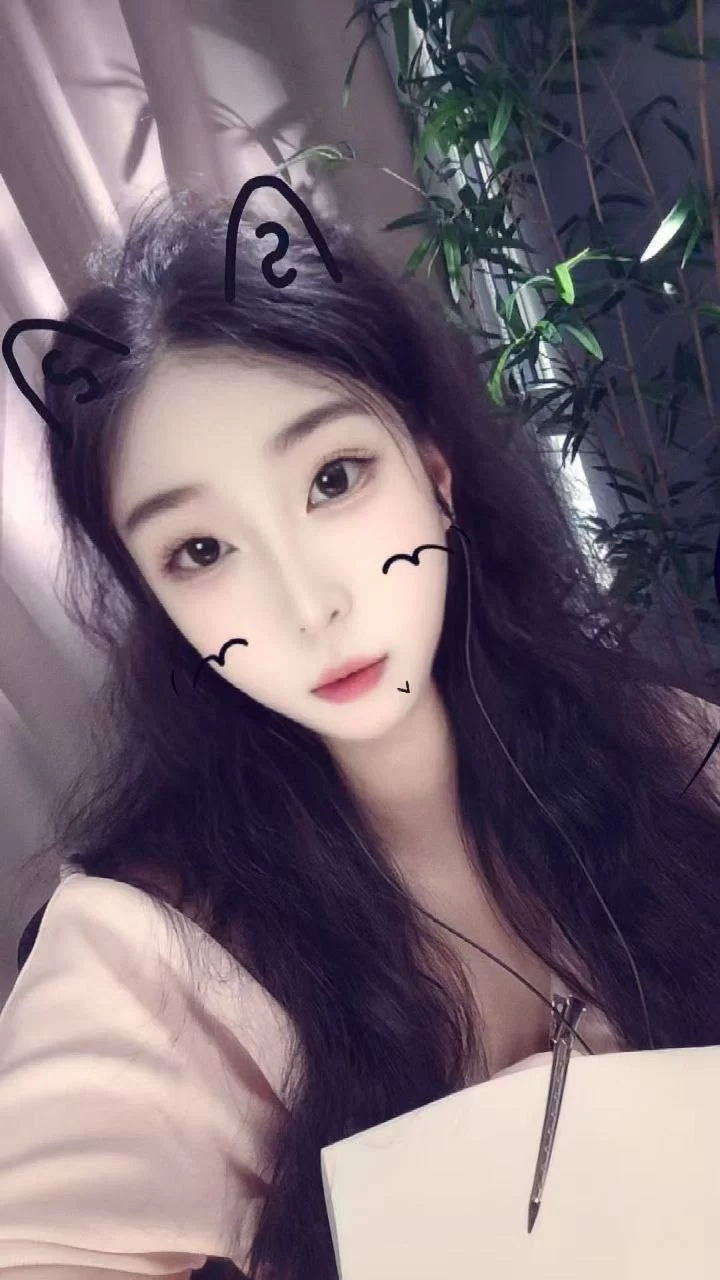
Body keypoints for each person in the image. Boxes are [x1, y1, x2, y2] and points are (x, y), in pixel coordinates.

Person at [1, 189, 720, 1280]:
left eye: (333, 480)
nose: (308, 606)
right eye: (201, 550)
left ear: (435, 474)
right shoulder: (161, 947)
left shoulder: (670, 749)